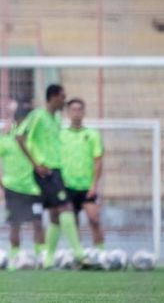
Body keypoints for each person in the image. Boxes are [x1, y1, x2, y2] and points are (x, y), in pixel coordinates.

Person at [16, 84, 86, 268]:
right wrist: (35, 163)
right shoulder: (37, 115)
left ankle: (48, 260)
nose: (64, 100)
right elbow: (19, 136)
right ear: (53, 97)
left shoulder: (56, 118)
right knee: (66, 207)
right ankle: (79, 253)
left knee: (55, 214)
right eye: (63, 97)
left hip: (56, 170)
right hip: (45, 171)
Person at [0, 107, 45, 269]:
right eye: (25, 121)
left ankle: (41, 259)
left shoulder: (34, 141)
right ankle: (13, 258)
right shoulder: (5, 141)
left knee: (38, 223)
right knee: (15, 225)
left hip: (33, 189)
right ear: (17, 121)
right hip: (13, 189)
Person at [60, 98, 105, 249]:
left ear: (84, 112)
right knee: (73, 223)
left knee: (94, 219)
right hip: (68, 186)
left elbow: (98, 160)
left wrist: (94, 185)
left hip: (87, 186)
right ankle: (78, 256)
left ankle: (101, 253)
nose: (76, 113)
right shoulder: (61, 135)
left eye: (79, 109)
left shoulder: (92, 134)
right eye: (73, 110)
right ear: (68, 113)